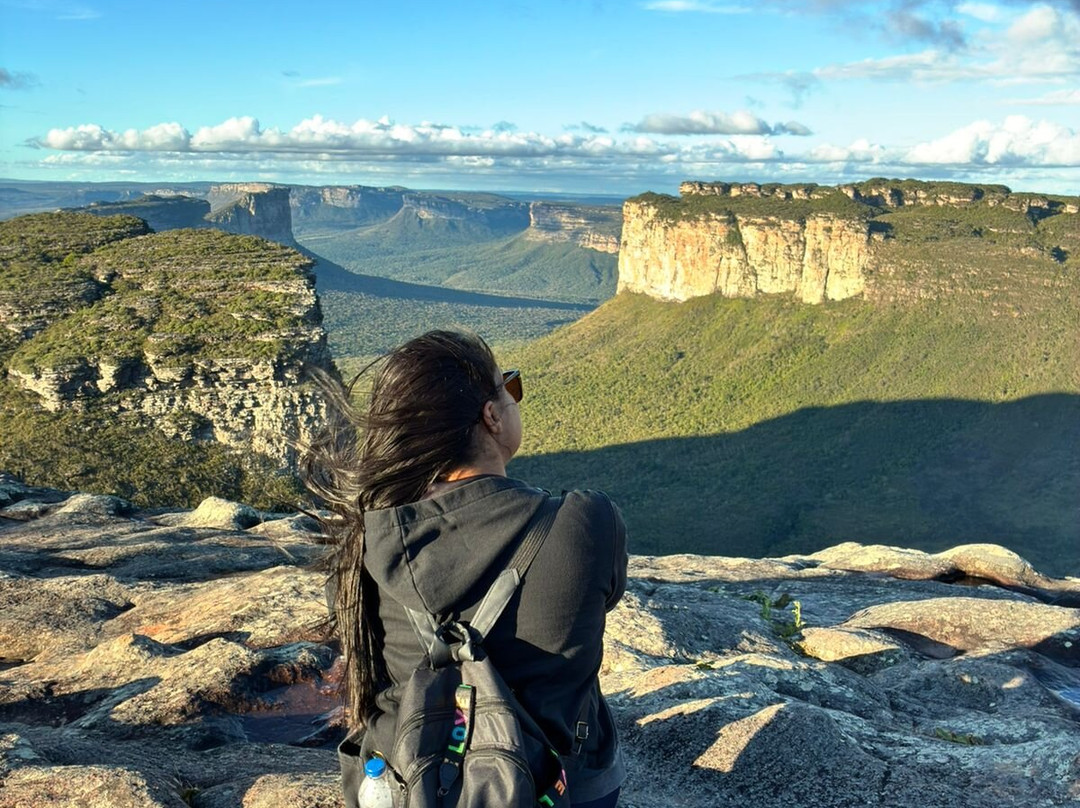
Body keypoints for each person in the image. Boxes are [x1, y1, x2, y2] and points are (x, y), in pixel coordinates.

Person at [303, 329, 628, 808]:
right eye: (509, 387)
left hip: (409, 783)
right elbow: (605, 599)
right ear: (491, 416)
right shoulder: (586, 521)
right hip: (559, 790)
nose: (514, 398)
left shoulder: (364, 537)